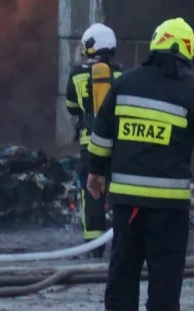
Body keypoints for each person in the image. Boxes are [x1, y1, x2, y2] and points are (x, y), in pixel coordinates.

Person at [87, 17, 194, 311]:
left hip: (127, 203)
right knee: (165, 278)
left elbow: (101, 133)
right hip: (168, 207)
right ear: (187, 51)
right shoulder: (191, 90)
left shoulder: (124, 82)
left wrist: (96, 172)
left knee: (123, 273)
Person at [65, 22, 122, 254]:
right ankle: (122, 241)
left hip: (90, 144)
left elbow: (71, 107)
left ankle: (94, 245)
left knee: (92, 192)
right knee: (118, 191)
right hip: (118, 144)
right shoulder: (121, 75)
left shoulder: (77, 75)